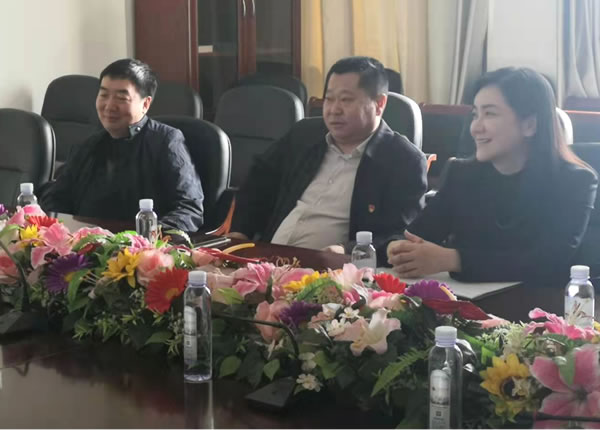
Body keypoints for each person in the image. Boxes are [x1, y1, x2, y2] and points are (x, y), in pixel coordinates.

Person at [387, 67, 598, 283]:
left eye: (489, 114)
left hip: (539, 301)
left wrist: (454, 259)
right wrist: (399, 248)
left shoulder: (575, 182)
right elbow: (418, 235)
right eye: (475, 115)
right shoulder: (460, 174)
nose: (475, 128)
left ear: (529, 125)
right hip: (464, 299)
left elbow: (549, 262)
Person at [228, 56, 427, 262]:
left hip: (331, 272)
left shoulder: (404, 161)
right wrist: (241, 231)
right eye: (329, 99)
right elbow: (258, 183)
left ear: (379, 104)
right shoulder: (303, 135)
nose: (334, 110)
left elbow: (398, 234)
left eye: (346, 100)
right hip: (265, 259)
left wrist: (347, 250)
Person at [41, 59, 204, 231]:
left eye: (121, 98)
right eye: (103, 95)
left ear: (145, 104)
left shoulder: (166, 141)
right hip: (87, 242)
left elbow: (189, 208)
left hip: (141, 244)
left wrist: (148, 237)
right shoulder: (88, 145)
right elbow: (56, 199)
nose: (109, 106)